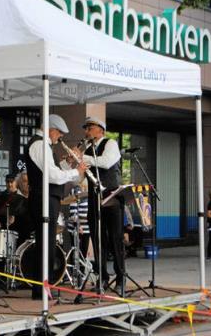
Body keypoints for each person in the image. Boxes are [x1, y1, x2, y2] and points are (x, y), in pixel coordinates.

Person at [25, 114, 87, 299]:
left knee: (48, 243)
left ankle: (44, 287)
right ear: (51, 129)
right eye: (59, 133)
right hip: (43, 199)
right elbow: (52, 176)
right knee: (46, 244)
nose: (60, 137)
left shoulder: (43, 145)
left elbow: (53, 171)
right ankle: (42, 289)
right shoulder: (39, 144)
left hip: (47, 198)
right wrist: (77, 171)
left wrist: (67, 164)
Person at [80, 116, 125, 294]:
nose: (87, 131)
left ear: (100, 129)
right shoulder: (88, 149)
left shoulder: (110, 144)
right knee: (98, 240)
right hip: (94, 198)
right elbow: (80, 178)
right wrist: (73, 164)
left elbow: (106, 162)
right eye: (86, 128)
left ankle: (120, 278)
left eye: (90, 127)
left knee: (115, 238)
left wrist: (82, 158)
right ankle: (103, 277)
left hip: (111, 197)